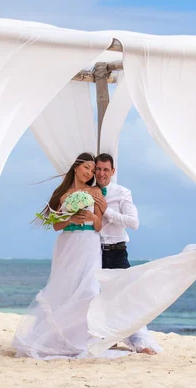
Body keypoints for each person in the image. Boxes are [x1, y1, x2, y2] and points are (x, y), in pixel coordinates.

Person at [12, 152, 124, 359]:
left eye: (93, 169)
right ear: (76, 167)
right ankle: (58, 338)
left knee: (89, 289)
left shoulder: (96, 191)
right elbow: (56, 226)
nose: (90, 172)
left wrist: (91, 216)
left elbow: (99, 225)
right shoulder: (62, 193)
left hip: (89, 243)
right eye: (87, 168)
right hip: (67, 243)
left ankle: (84, 339)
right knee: (63, 287)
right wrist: (70, 216)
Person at [93, 153, 163, 355]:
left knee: (125, 298)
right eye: (98, 169)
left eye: (106, 169)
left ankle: (141, 342)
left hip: (117, 252)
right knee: (98, 298)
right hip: (95, 253)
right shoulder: (87, 191)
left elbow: (134, 222)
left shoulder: (122, 192)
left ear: (113, 171)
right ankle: (107, 338)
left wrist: (107, 212)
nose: (102, 173)